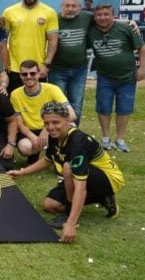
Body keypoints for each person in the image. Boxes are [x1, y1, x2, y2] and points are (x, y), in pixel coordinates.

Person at [7, 102, 124, 242]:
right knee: (49, 205)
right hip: (82, 175)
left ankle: (72, 213)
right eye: (47, 123)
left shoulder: (77, 141)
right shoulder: (54, 135)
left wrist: (71, 224)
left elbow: (80, 187)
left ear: (67, 119)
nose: (50, 127)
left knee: (68, 167)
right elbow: (49, 159)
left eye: (56, 122)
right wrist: (23, 172)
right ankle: (102, 198)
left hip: (109, 179)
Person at [88, 4, 145, 152]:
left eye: (106, 14)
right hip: (105, 77)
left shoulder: (126, 28)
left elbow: (142, 48)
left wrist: (142, 68)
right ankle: (106, 138)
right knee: (103, 107)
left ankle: (120, 139)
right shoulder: (91, 31)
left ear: (113, 15)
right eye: (99, 15)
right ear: (95, 17)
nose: (102, 17)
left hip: (127, 77)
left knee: (124, 108)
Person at [10, 60, 75, 163]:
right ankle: (41, 153)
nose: (28, 76)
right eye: (24, 74)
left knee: (71, 126)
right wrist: (32, 137)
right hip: (30, 130)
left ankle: (62, 157)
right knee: (24, 147)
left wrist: (46, 130)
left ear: (39, 74)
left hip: (50, 127)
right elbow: (19, 123)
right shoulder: (15, 94)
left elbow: (72, 115)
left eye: (32, 73)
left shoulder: (52, 89)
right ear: (20, 76)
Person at [1, 0, 58, 91]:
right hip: (14, 69)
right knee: (14, 103)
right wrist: (5, 63)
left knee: (37, 103)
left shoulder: (49, 12)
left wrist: (46, 65)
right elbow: (2, 41)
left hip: (37, 69)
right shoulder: (9, 12)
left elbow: (53, 40)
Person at [48, 0, 92, 126]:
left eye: (74, 6)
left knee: (76, 103)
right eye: (67, 5)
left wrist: (131, 23)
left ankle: (73, 133)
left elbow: (108, 21)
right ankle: (58, 130)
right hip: (57, 70)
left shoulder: (87, 17)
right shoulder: (53, 19)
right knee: (59, 103)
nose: (70, 9)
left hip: (79, 70)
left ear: (80, 7)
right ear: (61, 6)